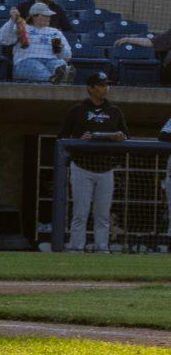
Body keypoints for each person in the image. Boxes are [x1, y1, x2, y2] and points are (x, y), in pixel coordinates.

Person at [58, 72, 128, 253]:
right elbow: (62, 138)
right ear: (90, 88)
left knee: (103, 214)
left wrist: (120, 137)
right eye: (101, 85)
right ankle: (76, 248)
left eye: (106, 84)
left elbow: (126, 137)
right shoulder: (77, 110)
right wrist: (79, 139)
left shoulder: (115, 111)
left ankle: (102, 249)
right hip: (82, 166)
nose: (105, 88)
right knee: (80, 212)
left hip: (106, 168)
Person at [0, 2, 73, 83]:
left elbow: (67, 56)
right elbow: (3, 39)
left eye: (49, 15)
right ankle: (54, 80)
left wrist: (61, 49)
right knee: (39, 70)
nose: (48, 18)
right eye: (45, 15)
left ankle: (62, 75)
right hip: (26, 61)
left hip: (51, 60)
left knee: (60, 63)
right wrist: (12, 20)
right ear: (34, 16)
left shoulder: (55, 32)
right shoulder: (22, 27)